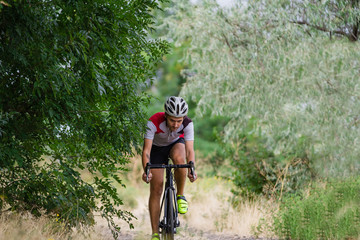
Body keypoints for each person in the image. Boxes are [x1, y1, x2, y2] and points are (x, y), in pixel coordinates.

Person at [142, 96, 197, 240]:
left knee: (180, 159)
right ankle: (155, 233)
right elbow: (146, 151)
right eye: (172, 120)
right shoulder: (153, 122)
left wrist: (192, 169)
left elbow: (190, 151)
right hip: (156, 150)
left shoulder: (188, 123)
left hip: (175, 144)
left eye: (179, 121)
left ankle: (180, 195)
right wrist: (146, 170)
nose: (175, 124)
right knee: (157, 188)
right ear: (166, 115)